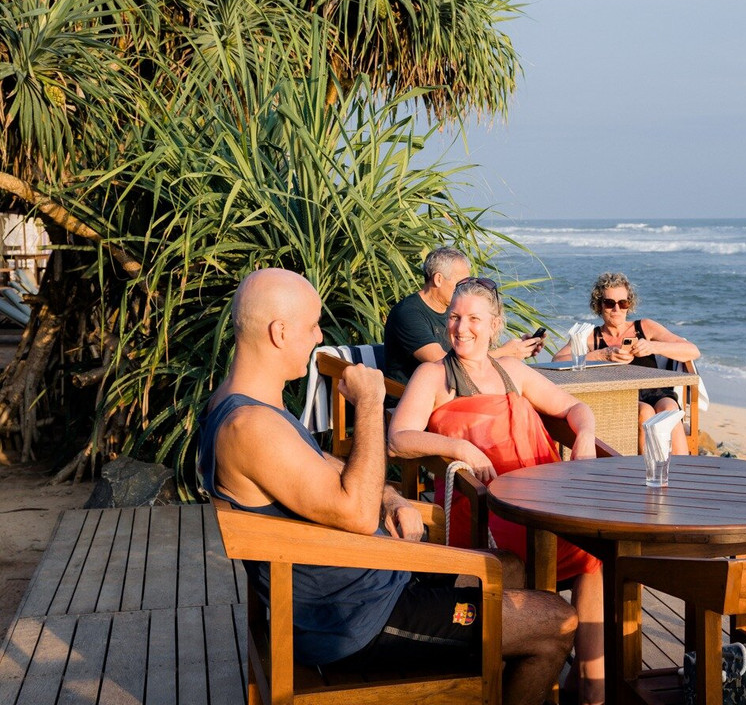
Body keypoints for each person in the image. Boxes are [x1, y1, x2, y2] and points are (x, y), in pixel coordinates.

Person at [197, 268, 575, 705]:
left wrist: (392, 497)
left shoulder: (239, 402)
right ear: (279, 332)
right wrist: (372, 402)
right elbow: (356, 513)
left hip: (361, 584)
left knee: (508, 565)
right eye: (312, 326)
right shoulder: (251, 426)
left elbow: (320, 465)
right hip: (356, 620)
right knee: (556, 622)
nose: (319, 337)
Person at [388, 276, 605, 705]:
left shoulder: (514, 371)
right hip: (486, 514)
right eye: (453, 316)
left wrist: (584, 436)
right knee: (525, 561)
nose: (461, 327)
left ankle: (592, 689)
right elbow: (399, 436)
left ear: (494, 325)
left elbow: (574, 408)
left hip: (540, 500)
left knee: (591, 556)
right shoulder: (435, 374)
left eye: (473, 318)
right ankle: (533, 664)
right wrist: (457, 445)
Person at [553, 272, 700, 455]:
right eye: (609, 303)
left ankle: (683, 473)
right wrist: (600, 355)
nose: (617, 309)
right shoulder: (591, 336)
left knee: (669, 410)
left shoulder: (644, 327)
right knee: (645, 412)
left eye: (623, 303)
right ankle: (646, 474)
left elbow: (692, 351)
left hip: (656, 392)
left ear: (629, 305)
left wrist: (653, 346)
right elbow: (557, 360)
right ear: (599, 305)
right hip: (619, 397)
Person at [383, 246, 543, 386]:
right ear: (438, 279)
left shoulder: (453, 310)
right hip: (410, 400)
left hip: (452, 390)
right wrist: (504, 353)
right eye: (462, 282)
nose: (466, 288)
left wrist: (518, 348)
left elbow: (469, 355)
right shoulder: (408, 314)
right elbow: (443, 364)